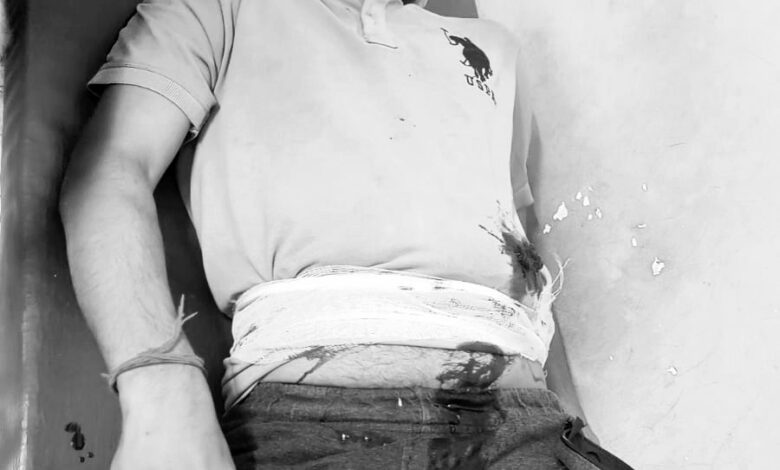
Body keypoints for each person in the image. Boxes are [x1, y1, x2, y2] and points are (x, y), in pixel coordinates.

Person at [59, 0, 632, 468]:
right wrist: (161, 391)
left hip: (533, 419)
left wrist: (578, 425)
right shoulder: (219, 9)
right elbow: (110, 172)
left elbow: (526, 256)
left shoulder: (496, 48)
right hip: (320, 417)